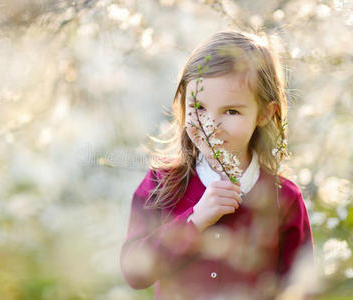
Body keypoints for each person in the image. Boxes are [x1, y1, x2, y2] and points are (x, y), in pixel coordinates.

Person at [120, 30, 315, 300]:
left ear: (264, 114)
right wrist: (194, 220)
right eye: (198, 108)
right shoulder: (162, 183)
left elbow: (300, 289)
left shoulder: (284, 198)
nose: (210, 125)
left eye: (231, 111)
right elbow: (134, 272)